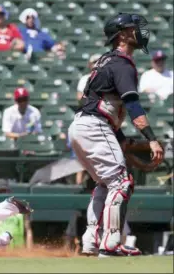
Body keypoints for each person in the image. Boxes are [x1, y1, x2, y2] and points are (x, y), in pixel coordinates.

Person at [68, 13, 165, 257]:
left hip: (83, 126)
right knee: (122, 182)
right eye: (133, 28)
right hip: (94, 125)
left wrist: (132, 150)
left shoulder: (105, 61)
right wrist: (152, 138)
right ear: (122, 35)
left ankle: (91, 241)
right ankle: (111, 243)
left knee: (106, 183)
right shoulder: (121, 63)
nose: (139, 32)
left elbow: (108, 114)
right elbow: (132, 104)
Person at [0, 179, 34, 249]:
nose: (2, 194)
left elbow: (28, 231)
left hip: (18, 251)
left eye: (4, 191)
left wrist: (30, 251)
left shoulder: (20, 209)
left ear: (9, 192)